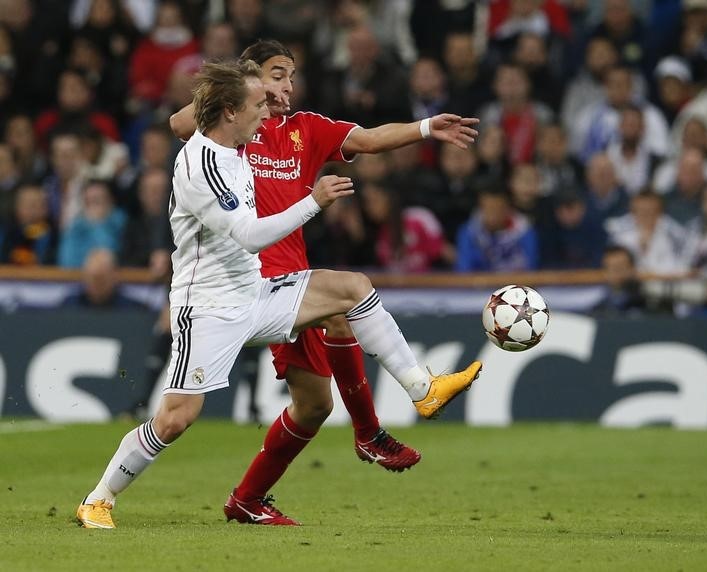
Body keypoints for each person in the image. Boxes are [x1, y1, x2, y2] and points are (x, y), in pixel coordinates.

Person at [76, 60, 482, 530]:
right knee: (175, 418)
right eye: (256, 106)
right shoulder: (201, 165)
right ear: (229, 111)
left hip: (258, 292)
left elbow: (352, 139)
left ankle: (421, 390)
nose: (265, 115)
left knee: (353, 290)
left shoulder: (240, 145)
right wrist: (315, 200)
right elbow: (248, 235)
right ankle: (99, 499)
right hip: (210, 307)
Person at [169, 39, 479, 483]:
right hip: (248, 278)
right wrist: (247, 89)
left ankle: (247, 501)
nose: (288, 86)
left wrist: (426, 127)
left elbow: (368, 139)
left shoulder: (307, 130)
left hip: (291, 275)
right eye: (278, 75)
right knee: (343, 308)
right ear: (250, 78)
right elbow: (180, 121)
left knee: (315, 406)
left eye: (292, 77)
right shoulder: (230, 130)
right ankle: (375, 427)